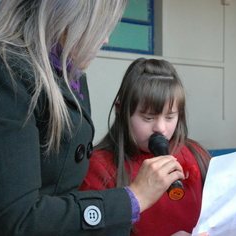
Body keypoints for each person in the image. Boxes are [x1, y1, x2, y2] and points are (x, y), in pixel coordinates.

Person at [0, 1, 200, 235]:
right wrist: (133, 198)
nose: (104, 40)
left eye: (170, 116)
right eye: (98, 25)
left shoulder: (70, 75)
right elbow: (15, 218)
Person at [80, 58, 212, 235]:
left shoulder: (198, 156)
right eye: (148, 118)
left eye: (170, 117)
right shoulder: (97, 168)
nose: (161, 128)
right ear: (121, 110)